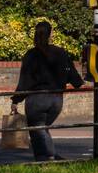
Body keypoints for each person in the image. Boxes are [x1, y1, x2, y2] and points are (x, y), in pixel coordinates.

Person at [12, 21, 86, 162]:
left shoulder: (31, 55)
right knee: (42, 128)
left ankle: (46, 158)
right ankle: (49, 156)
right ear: (50, 34)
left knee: (38, 129)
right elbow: (71, 73)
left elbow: (25, 80)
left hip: (37, 99)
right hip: (56, 99)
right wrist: (79, 83)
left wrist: (16, 100)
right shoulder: (60, 53)